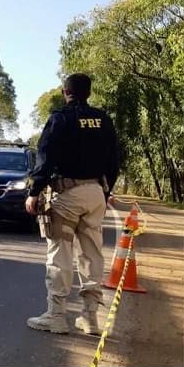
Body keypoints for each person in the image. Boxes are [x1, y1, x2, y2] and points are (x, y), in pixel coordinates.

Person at [24, 73, 120, 335]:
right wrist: (105, 189)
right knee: (91, 255)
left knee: (60, 254)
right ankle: (90, 318)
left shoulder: (61, 118)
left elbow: (45, 156)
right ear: (88, 93)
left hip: (67, 194)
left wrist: (34, 191)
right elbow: (114, 160)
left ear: (66, 92)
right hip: (95, 193)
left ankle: (56, 316)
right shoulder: (103, 120)